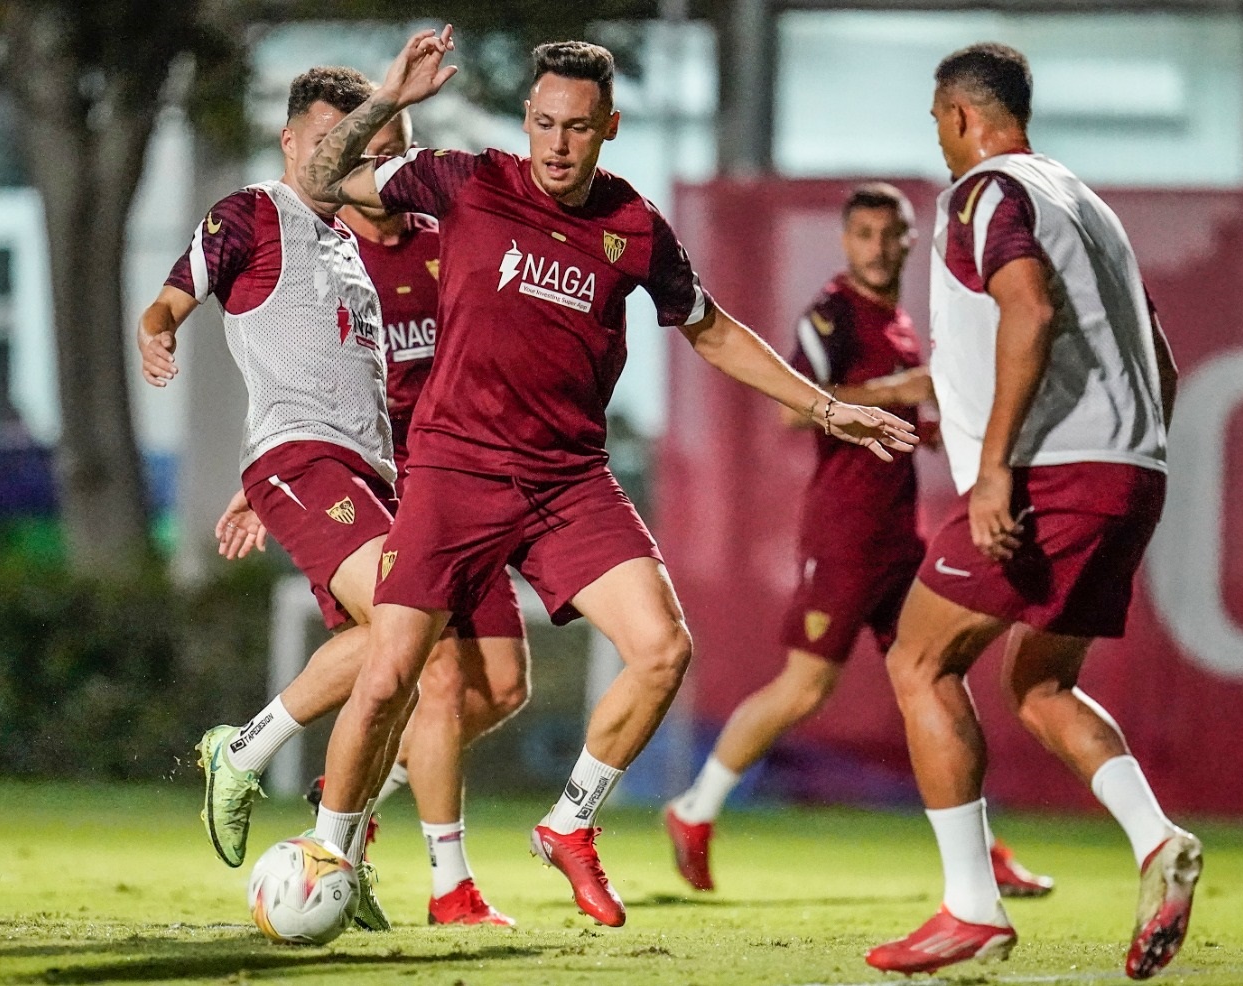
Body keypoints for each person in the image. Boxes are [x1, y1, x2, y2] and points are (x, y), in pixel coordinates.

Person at [300, 30, 916, 928]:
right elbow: (322, 179)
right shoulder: (466, 180)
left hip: (566, 483)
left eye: (577, 128)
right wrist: (390, 98)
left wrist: (824, 406)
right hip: (455, 468)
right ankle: (324, 853)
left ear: (609, 128)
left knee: (664, 651)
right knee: (393, 674)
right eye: (544, 123)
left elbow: (711, 331)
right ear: (526, 121)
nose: (556, 144)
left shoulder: (632, 227)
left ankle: (570, 824)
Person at [138, 66, 511, 930]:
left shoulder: (348, 240)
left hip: (361, 478)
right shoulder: (252, 212)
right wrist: (158, 337)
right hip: (302, 463)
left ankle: (334, 853)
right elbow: (166, 302)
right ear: (291, 142)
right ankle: (246, 752)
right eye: (328, 140)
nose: (343, 159)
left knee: (402, 665)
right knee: (410, 627)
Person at [864, 44, 1196, 978]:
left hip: (1050, 474)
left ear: (963, 117)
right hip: (1131, 472)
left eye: (936, 120)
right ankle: (1157, 840)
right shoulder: (1085, 204)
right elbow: (1161, 363)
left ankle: (971, 908)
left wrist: (1002, 469)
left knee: (919, 660)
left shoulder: (982, 195)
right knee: (1040, 686)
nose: (937, 139)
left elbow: (1029, 310)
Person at [663, 182, 1052, 900]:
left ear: (909, 241)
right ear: (847, 242)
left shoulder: (899, 321)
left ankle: (982, 850)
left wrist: (925, 419)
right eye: (864, 234)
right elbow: (793, 413)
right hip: (844, 537)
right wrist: (899, 390)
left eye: (890, 234)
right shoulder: (832, 314)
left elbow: (900, 412)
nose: (877, 246)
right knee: (806, 685)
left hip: (900, 539)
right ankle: (694, 809)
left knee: (936, 683)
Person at [342, 106, 531, 926]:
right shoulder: (328, 257)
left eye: (402, 151)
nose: (392, 168)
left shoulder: (444, 233)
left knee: (506, 687)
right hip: (387, 495)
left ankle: (349, 785)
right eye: (375, 154)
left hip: (466, 481)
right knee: (439, 682)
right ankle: (450, 886)